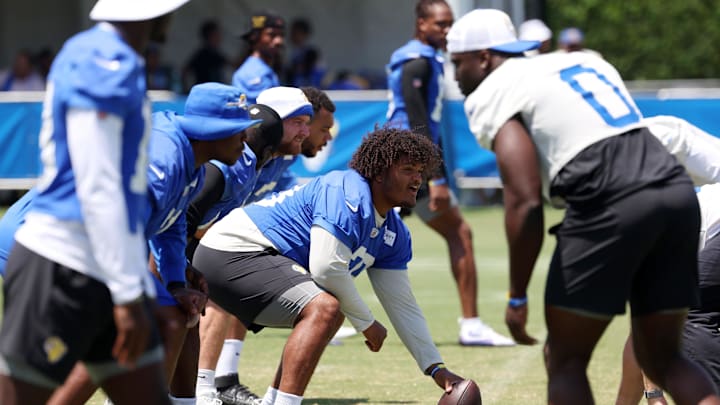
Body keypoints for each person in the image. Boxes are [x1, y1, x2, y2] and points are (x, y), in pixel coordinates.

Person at [447, 8, 720, 404]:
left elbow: (522, 200)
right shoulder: (581, 61)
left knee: (564, 359)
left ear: (485, 57)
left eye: (458, 63)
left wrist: (517, 295)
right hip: (677, 195)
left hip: (608, 197)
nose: (456, 75)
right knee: (665, 358)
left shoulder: (494, 90)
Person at [192, 126, 471, 405]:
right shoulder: (346, 193)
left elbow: (402, 304)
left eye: (421, 171)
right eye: (408, 169)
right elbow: (327, 268)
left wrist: (435, 367)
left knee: (326, 308)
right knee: (326, 308)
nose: (417, 180)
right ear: (379, 171)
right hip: (229, 251)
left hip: (256, 259)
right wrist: (367, 323)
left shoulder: (393, 233)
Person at [0, 0, 192, 404]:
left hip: (100, 265)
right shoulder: (104, 61)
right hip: (62, 264)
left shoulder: (107, 55)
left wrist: (133, 286)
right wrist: (127, 292)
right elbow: (99, 182)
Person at [33, 82, 260, 405]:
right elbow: (121, 227)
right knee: (114, 335)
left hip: (88, 247)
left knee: (171, 315)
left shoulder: (189, 163)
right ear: (211, 131)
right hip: (54, 243)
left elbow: (171, 227)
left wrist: (177, 281)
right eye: (237, 130)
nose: (244, 139)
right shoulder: (165, 160)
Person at [386, 0, 514, 347]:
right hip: (407, 161)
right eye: (440, 24)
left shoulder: (422, 58)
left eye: (450, 24)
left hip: (400, 160)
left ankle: (316, 307)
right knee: (460, 232)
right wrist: (435, 176)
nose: (447, 31)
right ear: (421, 23)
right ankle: (471, 324)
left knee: (362, 241)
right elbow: (416, 121)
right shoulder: (418, 62)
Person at [191, 86, 316, 405]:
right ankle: (205, 388)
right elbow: (183, 214)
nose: (307, 130)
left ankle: (213, 383)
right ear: (270, 123)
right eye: (298, 121)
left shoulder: (271, 162)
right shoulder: (230, 162)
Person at [232, 12, 286, 103]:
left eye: (281, 35)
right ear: (255, 37)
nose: (279, 41)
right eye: (272, 35)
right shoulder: (253, 73)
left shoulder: (267, 69)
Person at [182, 19, 229, 91]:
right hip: (206, 94)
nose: (219, 38)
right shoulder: (202, 55)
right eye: (216, 34)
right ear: (209, 36)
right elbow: (185, 71)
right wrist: (186, 90)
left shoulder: (215, 54)